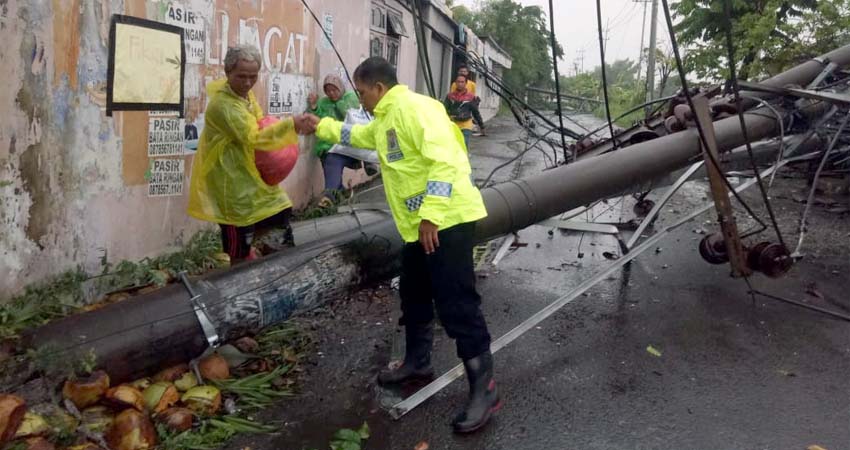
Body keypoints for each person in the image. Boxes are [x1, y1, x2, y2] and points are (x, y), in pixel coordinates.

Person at [310, 57, 500, 434]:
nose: (359, 100)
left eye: (362, 93)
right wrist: (321, 125)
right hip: (421, 227)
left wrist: (431, 214)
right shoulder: (385, 118)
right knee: (414, 291)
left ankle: (486, 389)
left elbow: (446, 161)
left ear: (378, 89)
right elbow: (362, 137)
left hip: (448, 219)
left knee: (456, 302)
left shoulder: (417, 109)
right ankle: (418, 361)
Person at [187, 45, 318, 264]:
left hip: (251, 175)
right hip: (230, 183)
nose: (248, 83)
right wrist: (291, 125)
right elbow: (254, 136)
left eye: (253, 76)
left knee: (280, 211)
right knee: (239, 242)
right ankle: (239, 281)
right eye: (241, 76)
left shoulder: (245, 97)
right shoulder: (224, 106)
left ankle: (273, 266)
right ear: (228, 72)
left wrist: (291, 126)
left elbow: (259, 121)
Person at [308, 74, 362, 208]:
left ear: (341, 88)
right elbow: (317, 120)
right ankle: (340, 194)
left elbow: (348, 113)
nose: (331, 94)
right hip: (327, 146)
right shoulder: (324, 102)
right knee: (331, 168)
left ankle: (329, 197)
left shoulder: (350, 97)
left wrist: (338, 103)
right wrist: (314, 106)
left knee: (332, 161)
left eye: (335, 90)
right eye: (328, 91)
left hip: (348, 146)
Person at [444, 74, 486, 149]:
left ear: (466, 83)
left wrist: (481, 126)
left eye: (462, 82)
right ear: (455, 83)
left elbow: (476, 112)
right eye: (458, 82)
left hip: (465, 124)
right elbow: (444, 109)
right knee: (451, 146)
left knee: (463, 144)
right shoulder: (450, 96)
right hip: (453, 124)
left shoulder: (471, 97)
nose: (460, 84)